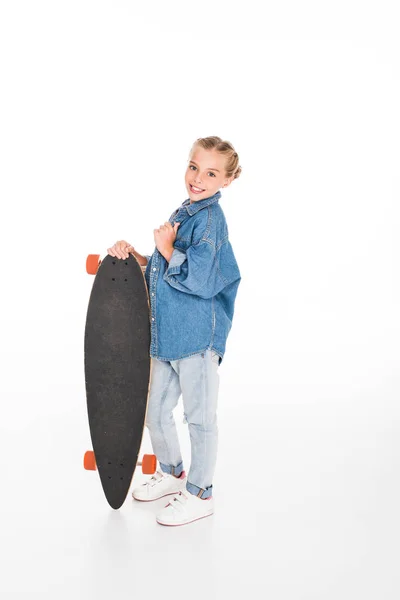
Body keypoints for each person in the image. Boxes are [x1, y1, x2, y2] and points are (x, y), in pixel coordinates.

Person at [107, 136, 242, 526]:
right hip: (166, 337)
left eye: (211, 172)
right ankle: (171, 472)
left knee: (199, 419)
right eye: (194, 166)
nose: (198, 178)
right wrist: (136, 257)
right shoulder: (186, 211)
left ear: (226, 181)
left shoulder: (211, 220)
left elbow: (199, 277)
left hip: (197, 338)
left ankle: (201, 493)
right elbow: (165, 270)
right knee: (154, 412)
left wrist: (166, 249)